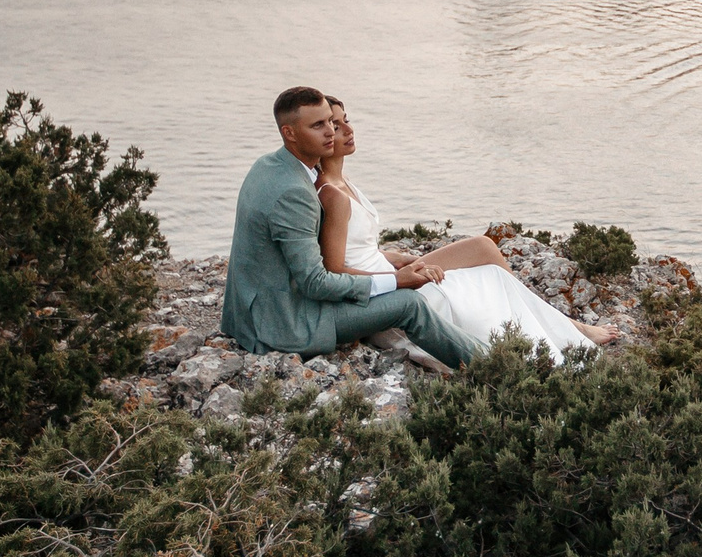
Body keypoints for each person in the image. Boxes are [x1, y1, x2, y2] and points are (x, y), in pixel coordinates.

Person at [318, 98, 611, 361]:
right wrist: (396, 278)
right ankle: (565, 332)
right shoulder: (330, 193)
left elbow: (354, 245)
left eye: (346, 119)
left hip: (388, 270)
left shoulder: (345, 185)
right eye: (335, 124)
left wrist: (394, 256)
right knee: (487, 283)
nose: (346, 128)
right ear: (322, 135)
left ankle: (564, 326)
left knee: (483, 249)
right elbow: (333, 268)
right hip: (380, 290)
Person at [221, 86, 466, 367]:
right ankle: (491, 368)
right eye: (317, 125)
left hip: (250, 313)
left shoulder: (267, 165)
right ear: (289, 133)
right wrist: (397, 280)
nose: (329, 132)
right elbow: (315, 283)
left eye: (330, 121)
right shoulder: (294, 192)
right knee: (410, 305)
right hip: (285, 324)